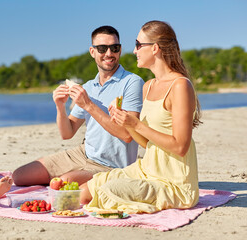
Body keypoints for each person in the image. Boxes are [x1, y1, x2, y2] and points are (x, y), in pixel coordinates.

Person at [80, 20, 202, 214]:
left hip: (173, 183)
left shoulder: (180, 86)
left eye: (138, 45)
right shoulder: (148, 86)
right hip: (146, 170)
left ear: (154, 48)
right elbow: (147, 144)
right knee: (85, 190)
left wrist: (136, 124)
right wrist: (126, 123)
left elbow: (180, 146)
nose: (134, 51)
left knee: (105, 192)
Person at [13, 26, 144, 186]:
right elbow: (67, 133)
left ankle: (76, 178)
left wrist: (88, 105)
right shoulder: (89, 87)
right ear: (92, 51)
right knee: (20, 176)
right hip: (83, 154)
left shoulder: (132, 83)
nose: (109, 54)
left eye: (114, 48)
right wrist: (60, 107)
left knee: (62, 183)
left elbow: (127, 135)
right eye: (102, 48)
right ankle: (76, 176)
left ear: (120, 50)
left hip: (112, 166)